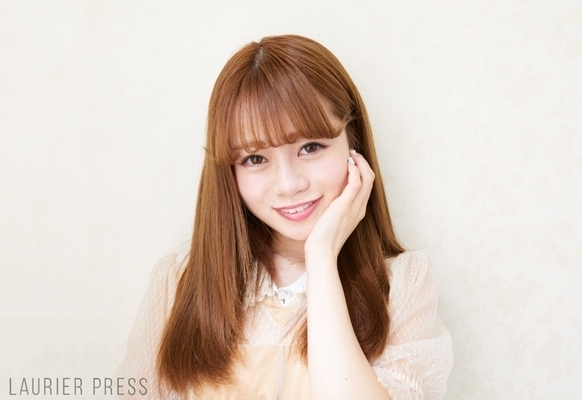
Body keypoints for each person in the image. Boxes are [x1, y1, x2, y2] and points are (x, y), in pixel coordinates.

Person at [116, 34, 453, 399]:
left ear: (352, 140)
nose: (289, 184)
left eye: (311, 147)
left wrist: (321, 257)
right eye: (255, 158)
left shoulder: (402, 285)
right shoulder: (178, 282)